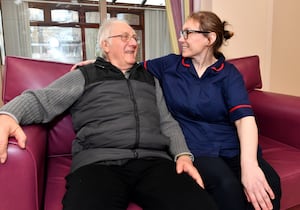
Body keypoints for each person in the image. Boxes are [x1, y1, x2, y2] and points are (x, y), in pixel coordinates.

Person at [0, 18, 218, 210]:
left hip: (154, 163)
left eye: (134, 37)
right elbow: (42, 99)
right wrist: (7, 115)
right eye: (124, 37)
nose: (133, 43)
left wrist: (183, 156)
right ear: (105, 45)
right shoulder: (85, 75)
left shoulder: (150, 79)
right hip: (99, 164)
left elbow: (167, 122)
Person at [73, 11, 282, 210]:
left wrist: (249, 166)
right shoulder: (169, 65)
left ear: (209, 39)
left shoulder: (229, 74)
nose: (181, 38)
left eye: (188, 33)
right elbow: (129, 65)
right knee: (226, 185)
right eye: (182, 32)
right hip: (196, 146)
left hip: (230, 145)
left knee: (270, 183)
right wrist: (97, 63)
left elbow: (244, 119)